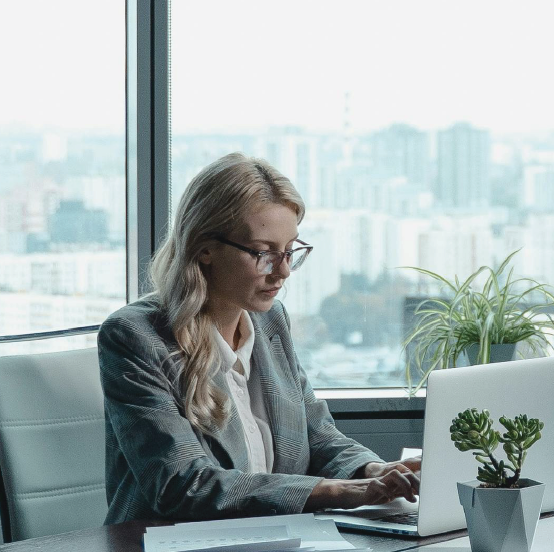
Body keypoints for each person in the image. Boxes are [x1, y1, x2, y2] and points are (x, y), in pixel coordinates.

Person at [100, 153, 419, 523]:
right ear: (204, 248)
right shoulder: (135, 337)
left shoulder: (270, 323)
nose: (283, 271)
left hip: (275, 548)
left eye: (290, 251)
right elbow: (183, 485)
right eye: (263, 253)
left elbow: (317, 437)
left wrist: (372, 471)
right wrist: (334, 492)